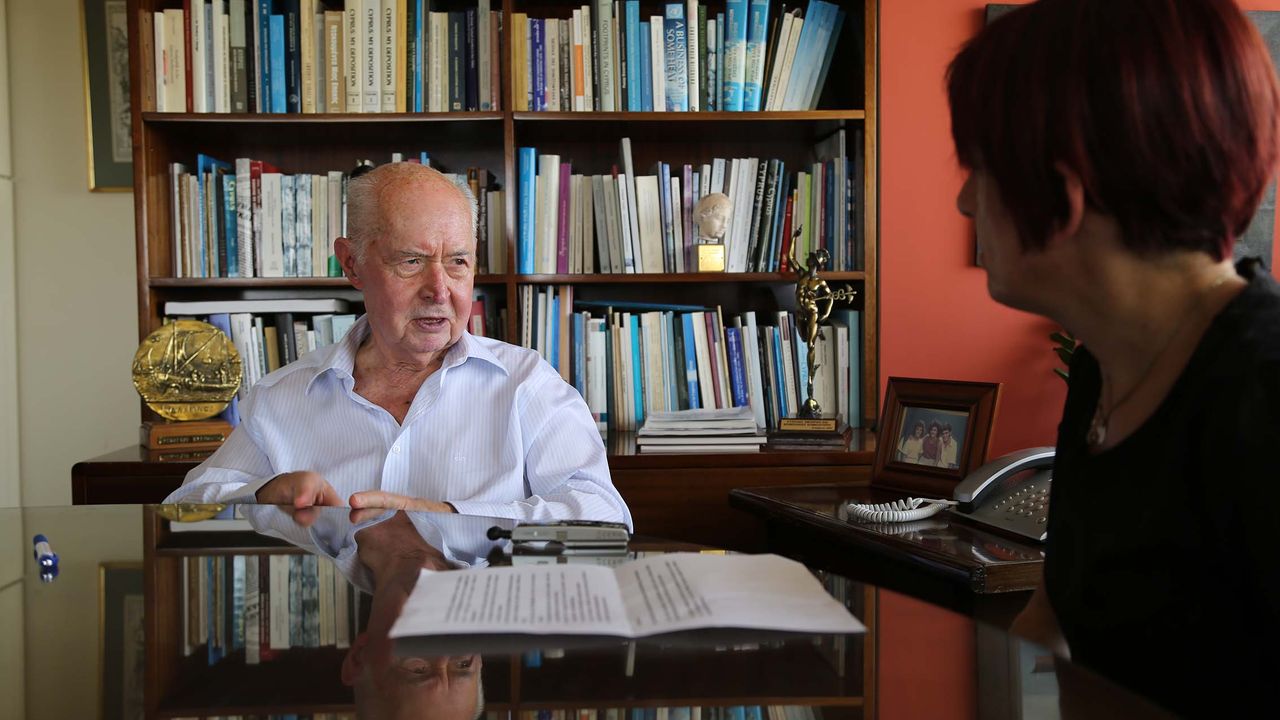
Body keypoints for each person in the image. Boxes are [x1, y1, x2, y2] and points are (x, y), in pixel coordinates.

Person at [948, 0, 1280, 713]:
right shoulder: (1103, 364)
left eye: (979, 168)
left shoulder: (1264, 393)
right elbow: (1051, 621)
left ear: (1063, 196)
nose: (965, 201)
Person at [165, 162, 632, 529]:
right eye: (411, 261)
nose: (440, 290)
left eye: (458, 262)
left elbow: (605, 517)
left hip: (477, 611)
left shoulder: (525, 384)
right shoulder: (280, 398)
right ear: (352, 264)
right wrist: (264, 495)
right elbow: (184, 508)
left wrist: (444, 517)